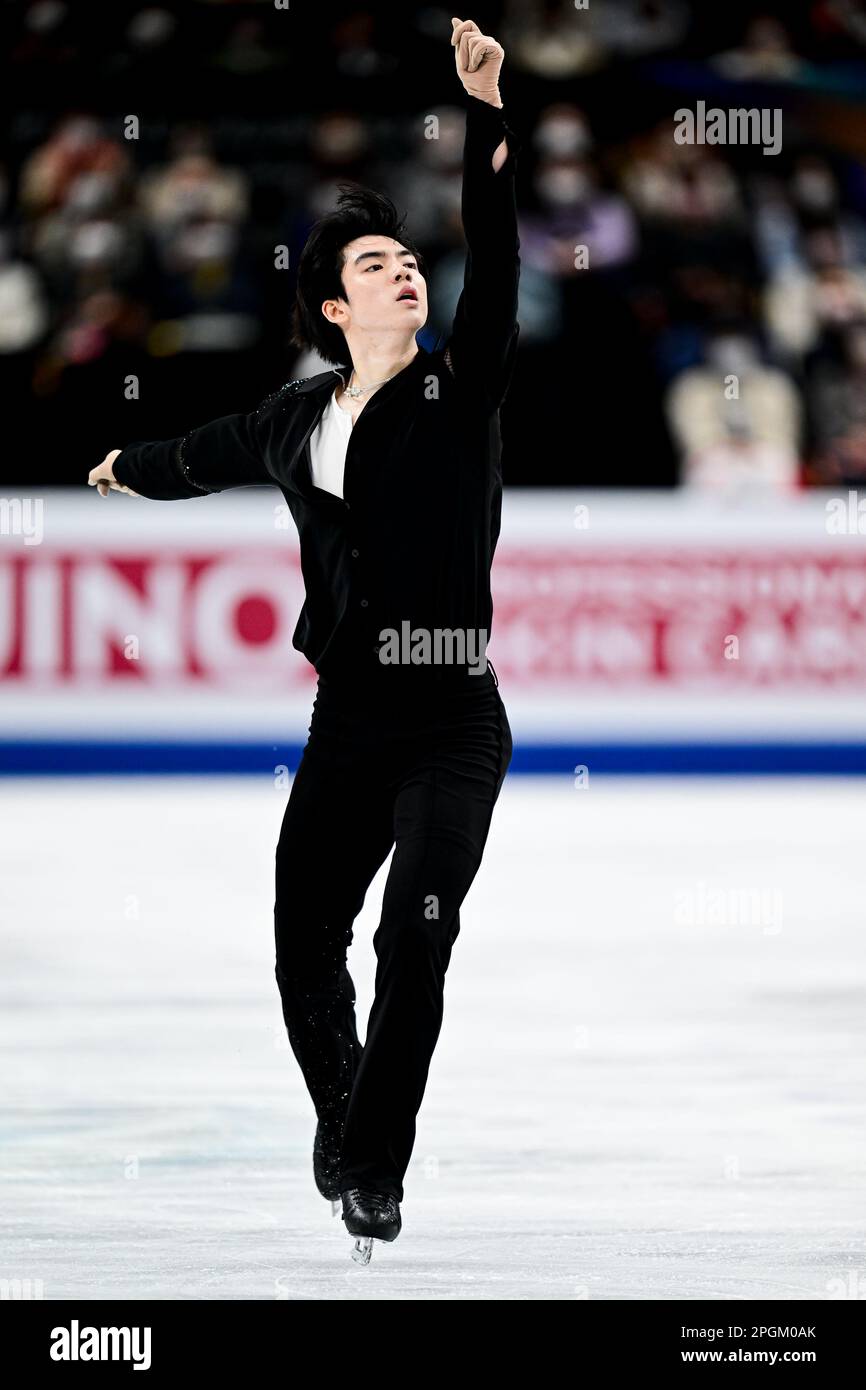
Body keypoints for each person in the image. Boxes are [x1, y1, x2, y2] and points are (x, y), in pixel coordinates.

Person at [88, 17, 520, 1262]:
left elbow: (489, 243)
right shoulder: (293, 421)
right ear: (334, 305)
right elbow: (200, 455)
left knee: (413, 941)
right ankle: (343, 1116)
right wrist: (125, 465)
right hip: (348, 723)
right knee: (299, 945)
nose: (403, 273)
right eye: (375, 264)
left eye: (406, 260)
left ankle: (375, 1169)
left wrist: (486, 114)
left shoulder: (460, 387)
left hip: (452, 719)